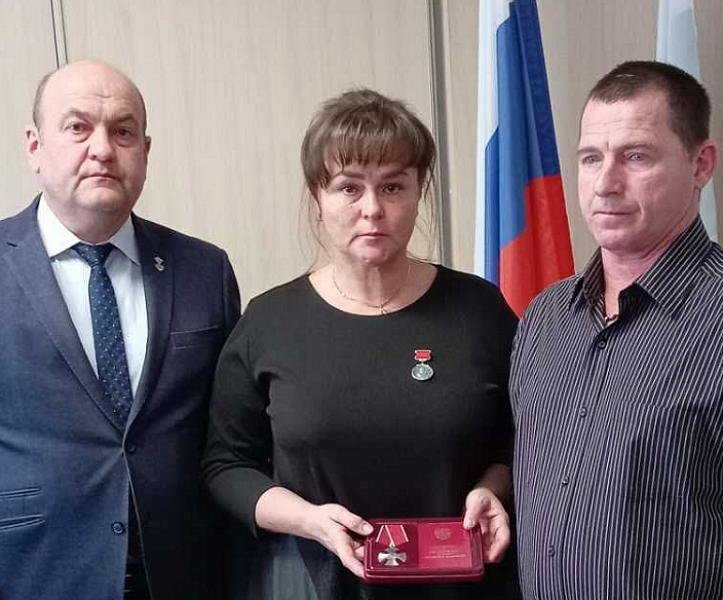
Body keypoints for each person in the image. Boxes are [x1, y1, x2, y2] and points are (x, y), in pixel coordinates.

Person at [202, 88, 521, 600]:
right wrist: (309, 520)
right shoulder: (268, 322)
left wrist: (492, 489)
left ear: (419, 192)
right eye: (349, 188)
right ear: (318, 197)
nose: (372, 209)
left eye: (393, 187)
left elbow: (523, 440)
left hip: (467, 586)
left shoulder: (480, 310)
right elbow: (226, 466)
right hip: (319, 583)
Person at [510, 60, 723, 599]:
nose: (606, 183)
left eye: (636, 156)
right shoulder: (544, 319)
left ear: (701, 164)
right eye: (591, 158)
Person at [0, 60, 240, 599]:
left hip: (185, 573)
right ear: (35, 146)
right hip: (33, 571)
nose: (103, 149)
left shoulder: (204, 270)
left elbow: (231, 434)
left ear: (145, 152)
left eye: (123, 131)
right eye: (78, 127)